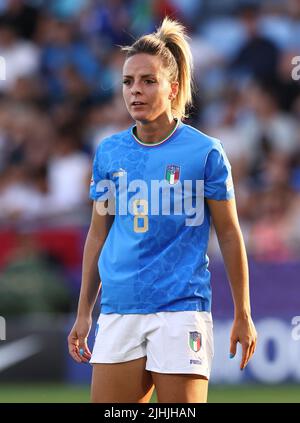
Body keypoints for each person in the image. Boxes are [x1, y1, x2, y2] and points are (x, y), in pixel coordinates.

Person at [67, 17, 257, 403]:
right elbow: (98, 233)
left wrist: (243, 312)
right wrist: (84, 311)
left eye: (148, 81)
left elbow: (230, 234)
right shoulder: (109, 152)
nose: (135, 90)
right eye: (128, 82)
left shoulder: (205, 152)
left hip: (181, 309)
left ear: (172, 88)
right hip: (119, 309)